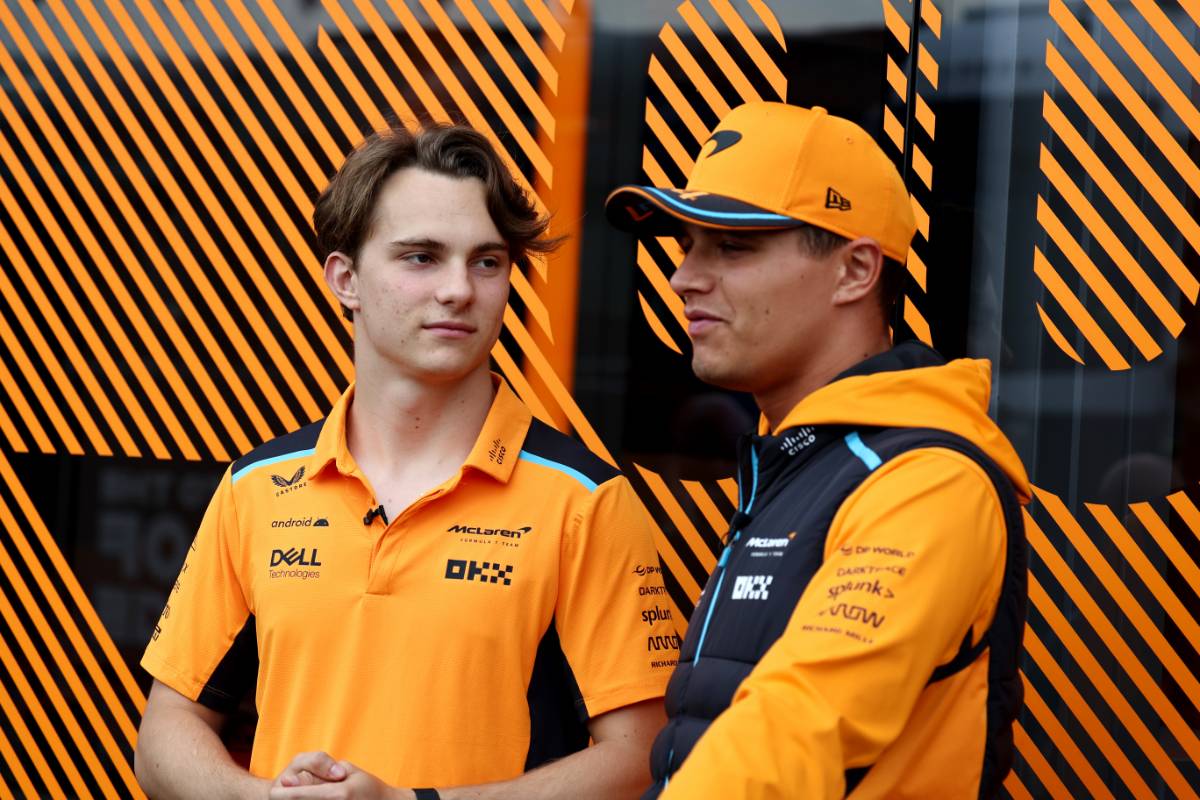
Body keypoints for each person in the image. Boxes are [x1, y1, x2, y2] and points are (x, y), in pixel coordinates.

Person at [136, 123, 676, 800]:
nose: (459, 289)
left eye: (487, 261)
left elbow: (642, 758)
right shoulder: (258, 487)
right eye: (421, 257)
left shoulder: (584, 499)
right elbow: (164, 732)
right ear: (346, 279)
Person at [605, 102, 1030, 799]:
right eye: (687, 245)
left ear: (855, 270)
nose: (684, 277)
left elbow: (793, 730)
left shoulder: (926, 481)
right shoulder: (805, 462)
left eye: (732, 247)